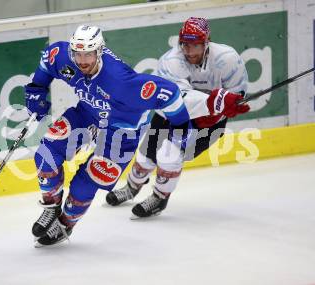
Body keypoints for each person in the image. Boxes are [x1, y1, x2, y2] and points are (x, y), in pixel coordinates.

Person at [24, 24, 196, 247]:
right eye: (78, 53)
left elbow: (169, 93)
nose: (82, 60)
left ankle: (65, 224)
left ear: (100, 51)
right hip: (88, 115)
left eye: (88, 54)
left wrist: (182, 125)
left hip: (121, 131)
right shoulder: (64, 57)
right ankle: (51, 207)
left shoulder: (121, 81)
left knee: (86, 184)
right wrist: (36, 90)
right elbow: (48, 61)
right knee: (46, 155)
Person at [105, 17, 250, 218]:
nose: (189, 51)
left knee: (169, 155)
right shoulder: (171, 61)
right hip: (172, 114)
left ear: (206, 43)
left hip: (210, 123)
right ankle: (131, 187)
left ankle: (159, 198)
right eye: (185, 44)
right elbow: (172, 100)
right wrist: (213, 104)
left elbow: (237, 92)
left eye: (195, 45)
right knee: (146, 155)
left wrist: (233, 103)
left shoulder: (227, 58)